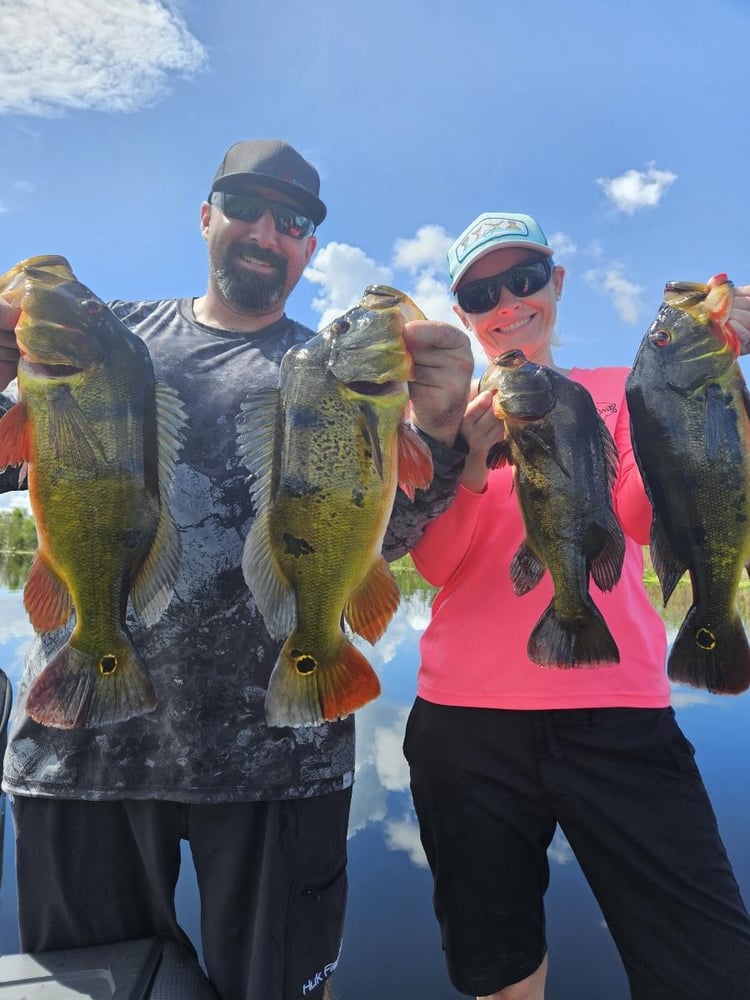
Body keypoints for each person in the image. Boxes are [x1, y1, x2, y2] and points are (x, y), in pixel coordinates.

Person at [0, 139, 474, 1000]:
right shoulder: (113, 340)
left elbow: (386, 539)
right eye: (246, 206)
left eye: (292, 221)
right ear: (206, 214)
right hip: (86, 758)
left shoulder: (331, 372)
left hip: (280, 761)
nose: (267, 230)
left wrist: (438, 437)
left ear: (309, 249)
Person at [402, 211, 750, 1000]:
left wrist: (716, 379)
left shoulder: (624, 392)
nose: (507, 302)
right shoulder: (438, 421)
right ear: (462, 313)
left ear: (556, 285)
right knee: (500, 971)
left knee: (711, 969)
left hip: (621, 714)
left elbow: (636, 517)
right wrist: (467, 460)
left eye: (524, 280)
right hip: (465, 725)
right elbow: (437, 562)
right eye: (482, 291)